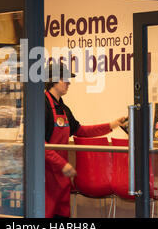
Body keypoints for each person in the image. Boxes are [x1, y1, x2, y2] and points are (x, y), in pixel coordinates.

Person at [44, 62, 126, 218]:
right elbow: (40, 144)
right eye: (65, 79)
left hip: (61, 176)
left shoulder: (64, 109)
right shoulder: (43, 105)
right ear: (54, 80)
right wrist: (62, 164)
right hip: (47, 175)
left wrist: (112, 125)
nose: (69, 82)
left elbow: (81, 131)